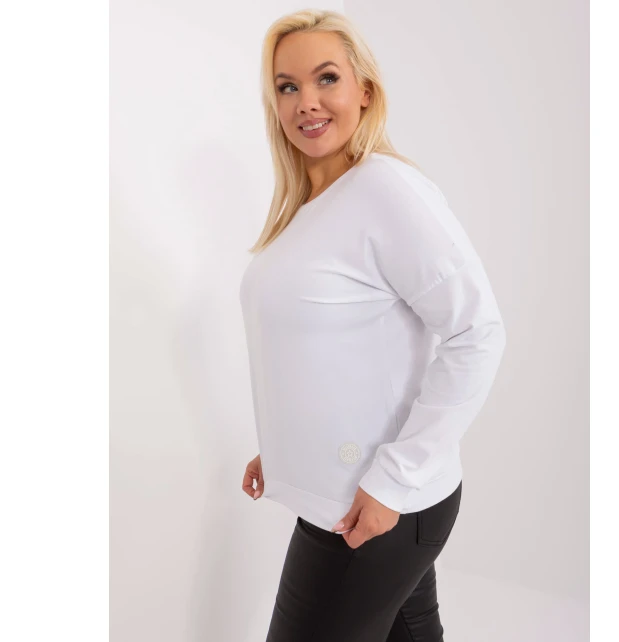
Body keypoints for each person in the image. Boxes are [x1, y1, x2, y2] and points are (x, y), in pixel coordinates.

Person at [238, 9, 507, 642]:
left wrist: (393, 483)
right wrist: (286, 446)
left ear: (365, 90)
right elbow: (324, 348)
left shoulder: (387, 189)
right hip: (352, 499)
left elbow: (477, 333)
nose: (307, 101)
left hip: (376, 508)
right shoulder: (309, 209)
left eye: (326, 77)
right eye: (287, 85)